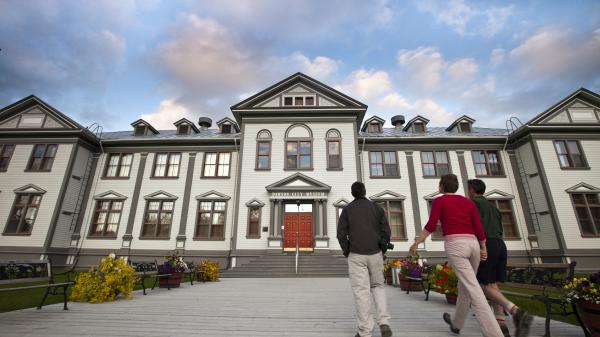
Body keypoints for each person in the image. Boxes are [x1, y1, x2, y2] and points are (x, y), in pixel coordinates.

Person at [409, 174, 504, 337]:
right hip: (474, 244)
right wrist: (483, 247)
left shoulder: (439, 201)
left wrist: (417, 242)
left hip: (456, 245)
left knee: (473, 289)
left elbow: (431, 225)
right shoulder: (468, 202)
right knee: (465, 286)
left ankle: (494, 333)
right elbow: (478, 226)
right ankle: (457, 324)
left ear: (441, 186)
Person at [468, 179, 532, 337]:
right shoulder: (494, 207)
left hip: (486, 243)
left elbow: (474, 226)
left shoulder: (473, 204)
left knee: (482, 283)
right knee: (492, 283)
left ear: (471, 190)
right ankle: (501, 323)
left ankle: (515, 311)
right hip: (500, 244)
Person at [337, 181, 393, 337]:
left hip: (356, 254)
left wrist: (347, 250)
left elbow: (341, 233)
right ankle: (384, 322)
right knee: (378, 286)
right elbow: (386, 230)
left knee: (362, 292)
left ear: (352, 193)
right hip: (375, 253)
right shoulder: (377, 208)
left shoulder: (347, 210)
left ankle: (365, 331)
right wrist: (382, 248)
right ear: (364, 191)